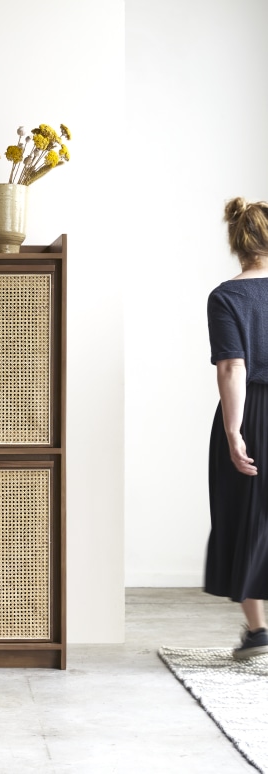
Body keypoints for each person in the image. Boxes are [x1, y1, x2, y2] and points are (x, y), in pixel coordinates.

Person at [206, 196, 268, 660]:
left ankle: (259, 632)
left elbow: (232, 367)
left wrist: (234, 431)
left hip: (252, 413)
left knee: (247, 516)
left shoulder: (227, 295)